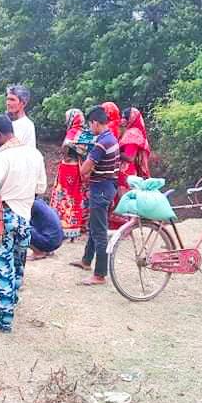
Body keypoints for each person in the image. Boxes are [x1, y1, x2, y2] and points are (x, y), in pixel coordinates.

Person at [0, 115, 47, 332]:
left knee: (1, 269)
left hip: (5, 215)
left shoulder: (4, 156)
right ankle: (13, 302)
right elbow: (41, 187)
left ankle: (4, 321)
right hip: (25, 218)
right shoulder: (35, 154)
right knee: (18, 265)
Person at [70, 106, 120, 285]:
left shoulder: (101, 144)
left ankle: (100, 274)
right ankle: (86, 260)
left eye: (90, 125)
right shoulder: (111, 138)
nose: (89, 129)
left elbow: (84, 169)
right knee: (94, 226)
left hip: (100, 190)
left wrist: (83, 163)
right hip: (108, 187)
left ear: (96, 123)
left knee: (99, 232)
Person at [49, 109, 93, 240]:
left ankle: (63, 225)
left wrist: (67, 148)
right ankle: (77, 226)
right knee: (76, 196)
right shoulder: (87, 133)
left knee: (64, 196)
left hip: (68, 167)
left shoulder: (72, 132)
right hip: (79, 167)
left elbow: (65, 149)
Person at [113, 107, 153, 227]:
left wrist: (115, 153)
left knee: (125, 200)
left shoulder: (132, 134)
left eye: (124, 117)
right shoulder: (134, 131)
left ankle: (127, 226)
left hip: (126, 170)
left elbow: (130, 157)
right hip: (130, 171)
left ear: (130, 119)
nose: (122, 120)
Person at [5, 84, 36, 149]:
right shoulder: (6, 122)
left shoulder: (26, 125)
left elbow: (11, 148)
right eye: (7, 99)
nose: (8, 103)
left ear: (23, 103)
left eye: (12, 100)